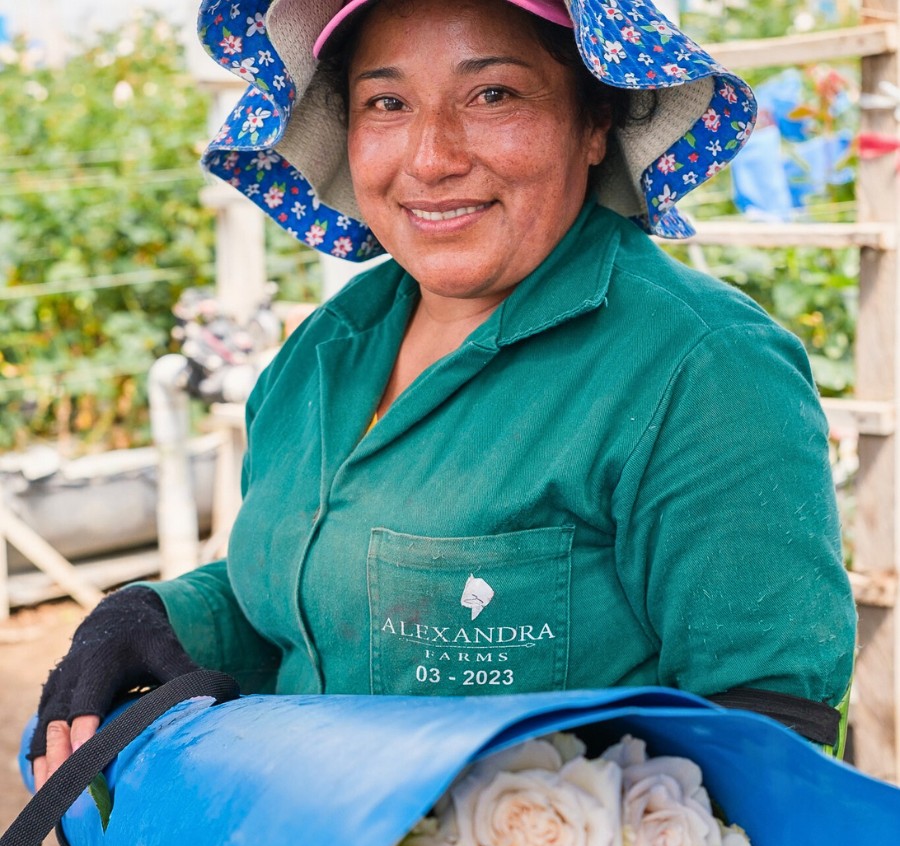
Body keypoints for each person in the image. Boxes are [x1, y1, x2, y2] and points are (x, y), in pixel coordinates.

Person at [31, 0, 856, 789]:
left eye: (492, 94)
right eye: (386, 102)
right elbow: (313, 596)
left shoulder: (701, 368)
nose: (431, 157)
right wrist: (163, 618)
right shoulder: (324, 353)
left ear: (597, 119)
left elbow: (771, 732)